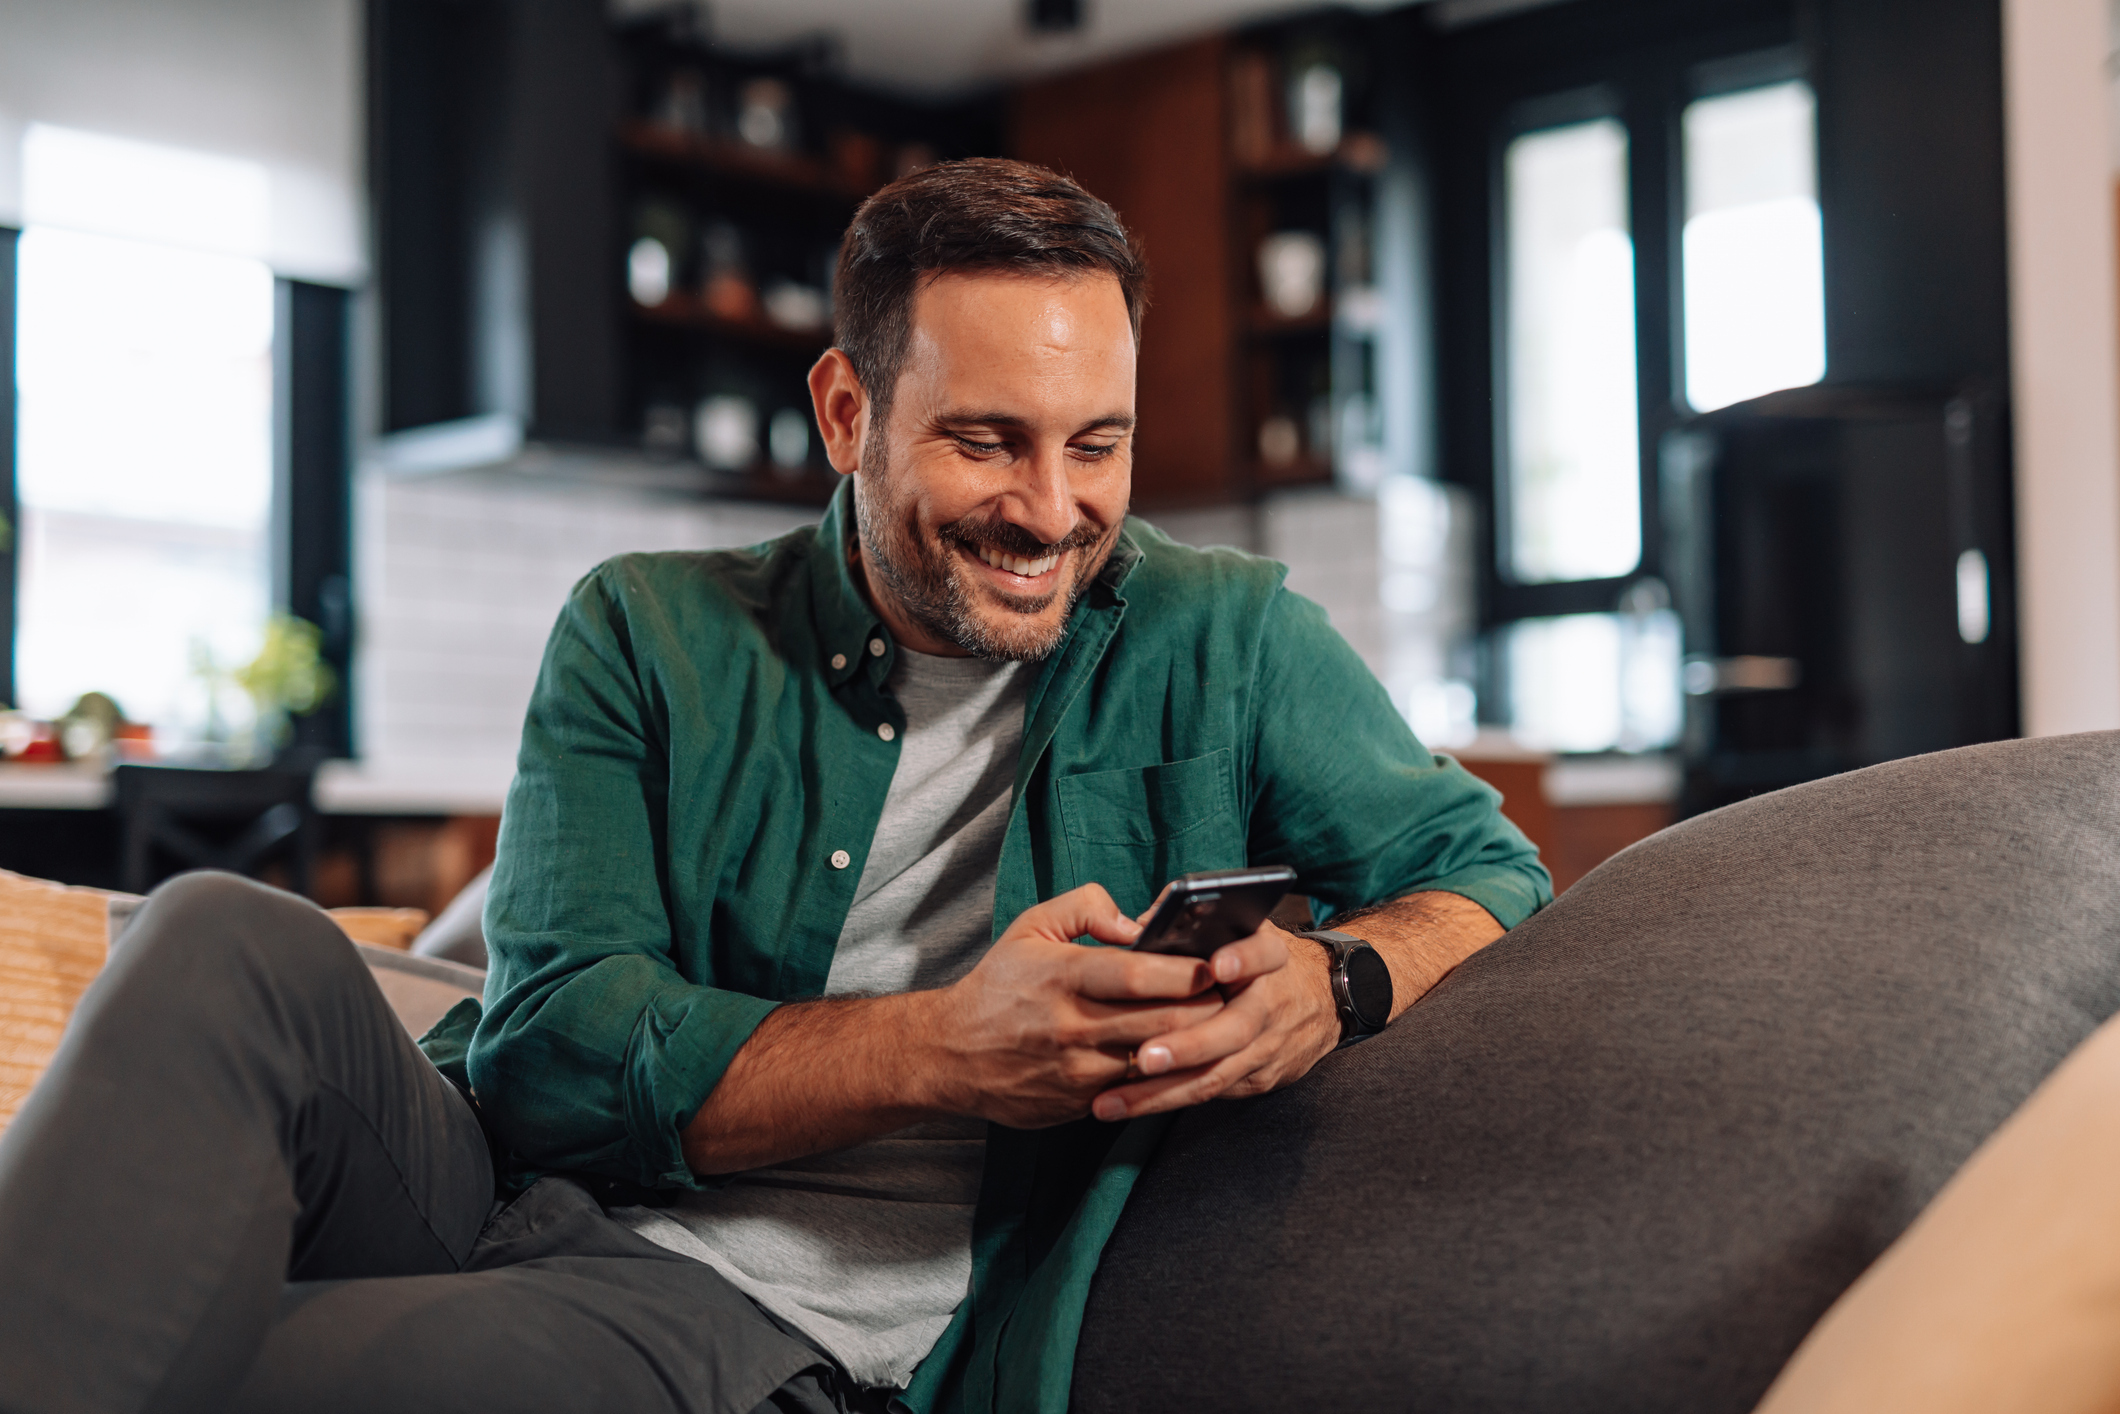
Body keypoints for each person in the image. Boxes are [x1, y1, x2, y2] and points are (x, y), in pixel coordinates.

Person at [0, 159, 1548, 1414]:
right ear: (846, 413)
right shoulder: (647, 625)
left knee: (221, 1370)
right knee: (213, 930)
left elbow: (1486, 867)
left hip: (737, 1313)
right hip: (488, 1172)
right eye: (989, 442)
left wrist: (1342, 980)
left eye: (1099, 445)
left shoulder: (1229, 638)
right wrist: (951, 1044)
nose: (1054, 509)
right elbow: (543, 1058)